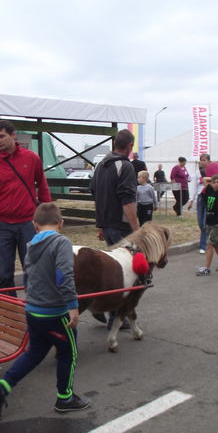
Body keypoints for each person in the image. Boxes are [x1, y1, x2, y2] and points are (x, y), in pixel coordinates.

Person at [0, 203, 89, 419]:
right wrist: (72, 306)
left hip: (33, 310)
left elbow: (29, 276)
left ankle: (3, 387)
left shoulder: (31, 243)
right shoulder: (61, 242)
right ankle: (65, 397)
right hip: (55, 312)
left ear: (34, 224)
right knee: (68, 353)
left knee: (34, 353)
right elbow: (63, 275)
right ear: (61, 223)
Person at [0, 120, 52, 290]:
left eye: (2, 136)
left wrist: (49, 223)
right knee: (5, 274)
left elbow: (44, 188)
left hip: (28, 224)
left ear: (13, 135)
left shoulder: (31, 158)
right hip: (3, 225)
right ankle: (9, 311)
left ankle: (33, 310)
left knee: (33, 270)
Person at [89, 129, 139, 329]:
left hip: (108, 225)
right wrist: (137, 230)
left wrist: (101, 224)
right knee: (125, 274)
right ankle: (116, 316)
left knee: (113, 271)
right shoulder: (125, 166)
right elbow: (127, 201)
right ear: (129, 147)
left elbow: (95, 194)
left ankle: (105, 309)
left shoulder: (101, 165)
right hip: (121, 227)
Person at [196, 174, 218, 276]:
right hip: (209, 221)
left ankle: (206, 268)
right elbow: (205, 179)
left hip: (217, 222)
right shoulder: (209, 190)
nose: (216, 184)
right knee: (215, 243)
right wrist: (213, 181)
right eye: (214, 182)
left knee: (210, 243)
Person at [186, 154, 210, 253]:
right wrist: (191, 200)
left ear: (208, 161)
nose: (202, 162)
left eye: (204, 160)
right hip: (200, 197)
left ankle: (203, 245)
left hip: (209, 197)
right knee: (200, 222)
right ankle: (206, 238)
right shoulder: (198, 173)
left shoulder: (211, 171)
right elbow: (194, 187)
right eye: (201, 160)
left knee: (205, 223)